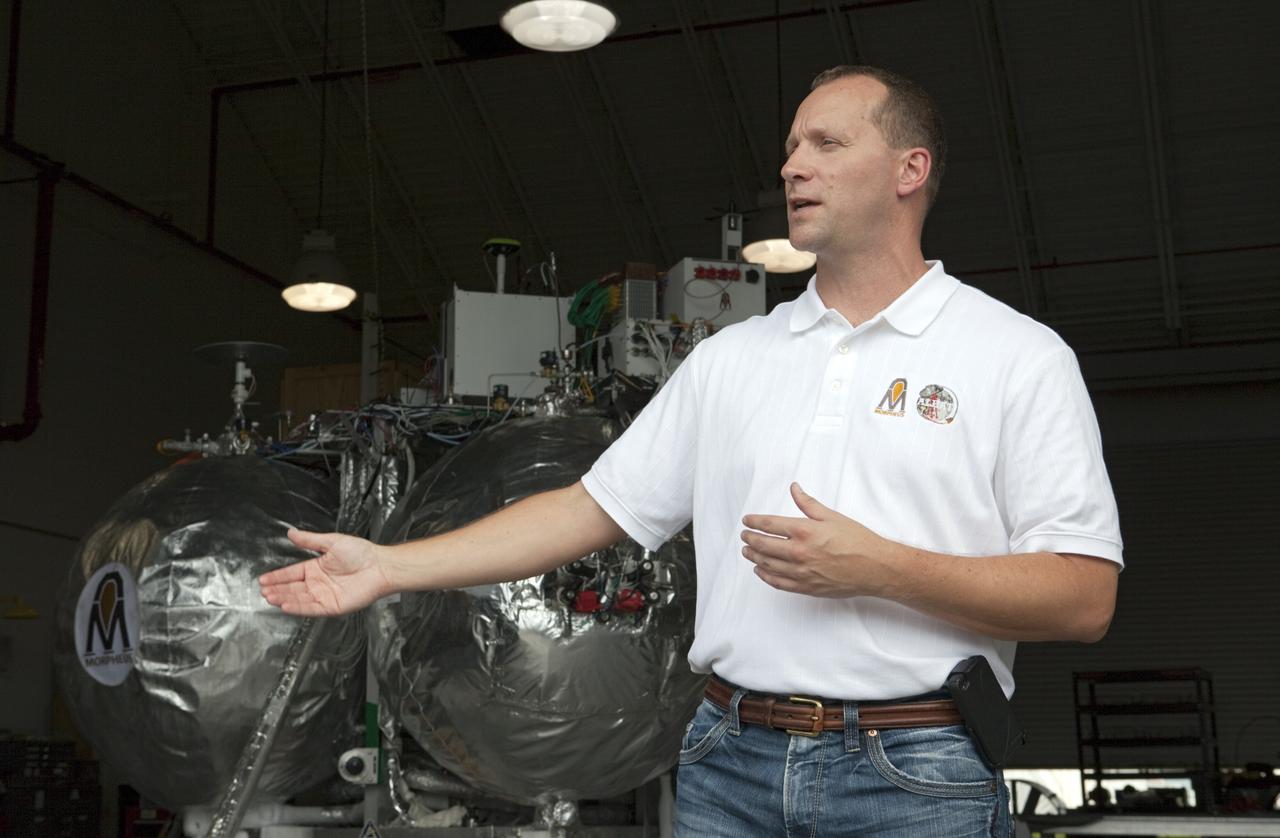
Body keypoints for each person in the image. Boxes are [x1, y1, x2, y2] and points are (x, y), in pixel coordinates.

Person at [260, 65, 1122, 837]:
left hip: (915, 774)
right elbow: (586, 508)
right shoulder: (732, 358)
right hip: (729, 763)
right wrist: (387, 565)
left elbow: (1085, 598)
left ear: (910, 170)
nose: (792, 166)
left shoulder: (1014, 355)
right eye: (790, 147)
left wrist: (880, 567)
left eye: (827, 142)